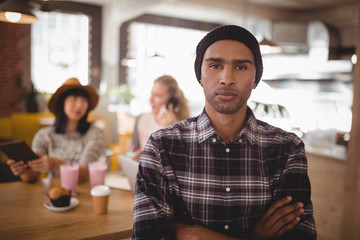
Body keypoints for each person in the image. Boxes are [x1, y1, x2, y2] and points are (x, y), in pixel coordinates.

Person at [132, 25, 317, 239]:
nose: (226, 78)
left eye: (241, 67)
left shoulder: (287, 149)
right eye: (215, 65)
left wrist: (195, 234)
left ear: (256, 78)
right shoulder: (161, 146)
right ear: (199, 75)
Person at [7, 77, 106, 183]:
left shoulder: (95, 134)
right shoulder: (44, 135)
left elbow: (82, 175)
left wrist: (55, 164)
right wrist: (23, 170)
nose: (80, 105)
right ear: (62, 102)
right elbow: (32, 176)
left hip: (86, 193)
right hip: (53, 194)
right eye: (74, 99)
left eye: (84, 100)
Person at [128, 75, 190, 161]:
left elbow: (180, 163)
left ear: (172, 100)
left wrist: (169, 129)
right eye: (151, 94)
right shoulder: (141, 119)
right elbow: (132, 152)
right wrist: (131, 159)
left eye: (157, 95)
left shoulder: (182, 127)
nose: (151, 99)